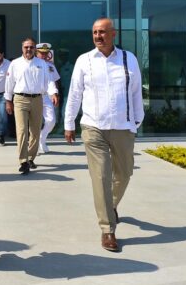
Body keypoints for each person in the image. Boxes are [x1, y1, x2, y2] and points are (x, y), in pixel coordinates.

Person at [64, 18, 144, 253]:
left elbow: (137, 91)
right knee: (100, 177)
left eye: (103, 32)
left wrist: (137, 121)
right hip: (93, 126)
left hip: (123, 126)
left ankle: (111, 205)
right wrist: (69, 123)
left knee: (125, 173)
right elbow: (75, 93)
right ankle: (108, 228)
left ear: (113, 34)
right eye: (95, 33)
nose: (98, 36)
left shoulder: (129, 59)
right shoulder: (84, 60)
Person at [4, 38, 58, 175]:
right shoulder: (15, 63)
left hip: (37, 99)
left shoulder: (42, 64)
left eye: (31, 47)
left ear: (35, 49)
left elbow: (49, 81)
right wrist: (8, 100)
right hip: (20, 99)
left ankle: (30, 158)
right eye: (26, 47)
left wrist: (53, 93)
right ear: (22, 48)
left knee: (35, 131)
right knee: (22, 130)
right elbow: (9, 83)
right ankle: (23, 161)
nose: (28, 49)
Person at [35, 43, 61, 154]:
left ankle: (42, 138)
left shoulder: (50, 65)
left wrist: (56, 94)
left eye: (46, 53)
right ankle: (33, 145)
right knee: (34, 122)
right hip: (34, 96)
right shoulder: (32, 64)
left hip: (47, 95)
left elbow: (55, 80)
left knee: (51, 120)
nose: (44, 55)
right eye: (42, 53)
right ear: (37, 53)